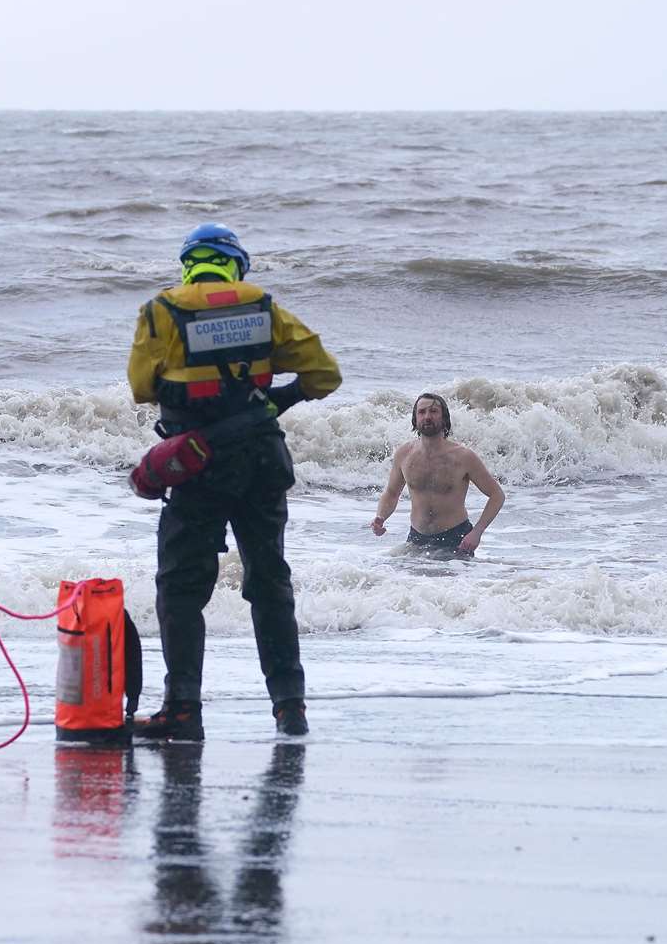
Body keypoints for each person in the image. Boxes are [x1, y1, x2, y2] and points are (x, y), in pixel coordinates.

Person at [126, 223, 341, 740]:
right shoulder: (263, 308)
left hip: (196, 465)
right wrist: (276, 400)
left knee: (180, 589)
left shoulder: (163, 310)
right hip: (263, 460)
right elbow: (325, 375)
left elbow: (139, 388)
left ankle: (182, 710)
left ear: (187, 265)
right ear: (236, 265)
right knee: (270, 584)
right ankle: (290, 708)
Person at [371, 392, 505, 555]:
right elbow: (391, 494)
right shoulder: (404, 454)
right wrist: (381, 517)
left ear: (444, 418)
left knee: (451, 581)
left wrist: (477, 532)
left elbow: (497, 495)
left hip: (455, 539)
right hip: (416, 539)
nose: (427, 416)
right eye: (421, 412)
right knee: (388, 571)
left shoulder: (463, 456)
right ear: (415, 419)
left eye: (433, 411)